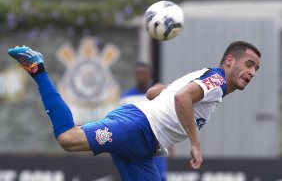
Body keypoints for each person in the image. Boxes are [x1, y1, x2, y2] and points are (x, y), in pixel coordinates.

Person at [7, 41, 261, 181]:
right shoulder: (217, 81)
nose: (251, 72)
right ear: (229, 61)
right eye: (249, 64)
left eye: (256, 69)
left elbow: (153, 93)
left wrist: (171, 90)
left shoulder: (206, 79)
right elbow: (182, 98)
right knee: (68, 139)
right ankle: (37, 68)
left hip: (143, 146)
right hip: (137, 128)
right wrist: (195, 143)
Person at [120, 61, 170, 181]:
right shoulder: (126, 97)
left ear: (150, 75)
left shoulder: (158, 94)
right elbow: (121, 123)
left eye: (144, 73)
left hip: (156, 148)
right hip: (135, 149)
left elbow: (165, 119)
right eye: (138, 73)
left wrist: (170, 145)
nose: (141, 75)